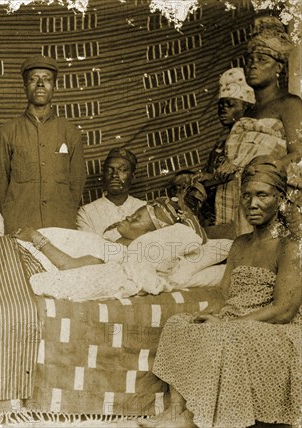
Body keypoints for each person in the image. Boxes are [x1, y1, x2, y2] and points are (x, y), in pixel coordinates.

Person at [139, 156, 301, 428]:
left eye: (262, 195)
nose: (253, 204)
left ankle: (193, 418)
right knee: (180, 324)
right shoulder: (239, 244)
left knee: (221, 333)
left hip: (279, 331)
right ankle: (176, 411)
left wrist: (229, 324)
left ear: (280, 199)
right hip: (240, 324)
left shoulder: (291, 246)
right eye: (246, 195)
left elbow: (283, 310)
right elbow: (226, 295)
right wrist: (211, 316)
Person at [14, 194, 207, 301]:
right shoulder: (109, 244)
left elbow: (69, 266)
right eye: (134, 213)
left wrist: (35, 237)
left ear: (147, 236)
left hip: (23, 260)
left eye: (137, 219)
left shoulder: (118, 254)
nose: (128, 217)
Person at [214, 17, 302, 236]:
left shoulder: (289, 104)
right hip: (232, 195)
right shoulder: (247, 111)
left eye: (262, 59)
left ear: (278, 67)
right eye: (250, 59)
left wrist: (266, 167)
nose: (253, 64)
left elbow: (299, 153)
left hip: (263, 195)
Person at [0, 55, 86, 232]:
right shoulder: (8, 131)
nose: (40, 84)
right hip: (21, 225)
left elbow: (77, 182)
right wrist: (13, 213)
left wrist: (63, 211)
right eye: (33, 79)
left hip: (61, 224)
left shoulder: (70, 132)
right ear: (25, 86)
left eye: (47, 79)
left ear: (54, 86)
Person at [198, 67, 255, 227]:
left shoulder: (254, 136)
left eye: (230, 104)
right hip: (219, 215)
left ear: (247, 106)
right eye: (220, 105)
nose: (223, 109)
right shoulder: (220, 145)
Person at [77, 147, 146, 239]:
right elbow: (89, 248)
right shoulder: (87, 213)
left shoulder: (144, 208)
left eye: (122, 170)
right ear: (103, 175)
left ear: (132, 177)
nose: (114, 175)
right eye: (109, 170)